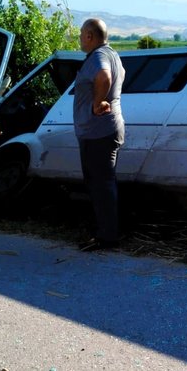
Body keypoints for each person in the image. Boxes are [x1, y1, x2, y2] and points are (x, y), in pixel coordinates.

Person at [73, 18, 126, 252]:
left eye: (82, 34)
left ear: (90, 36)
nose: (80, 38)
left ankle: (107, 237)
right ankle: (105, 232)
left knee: (101, 185)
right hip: (106, 129)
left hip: (98, 132)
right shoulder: (113, 54)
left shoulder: (98, 57)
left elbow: (104, 77)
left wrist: (96, 104)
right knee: (103, 183)